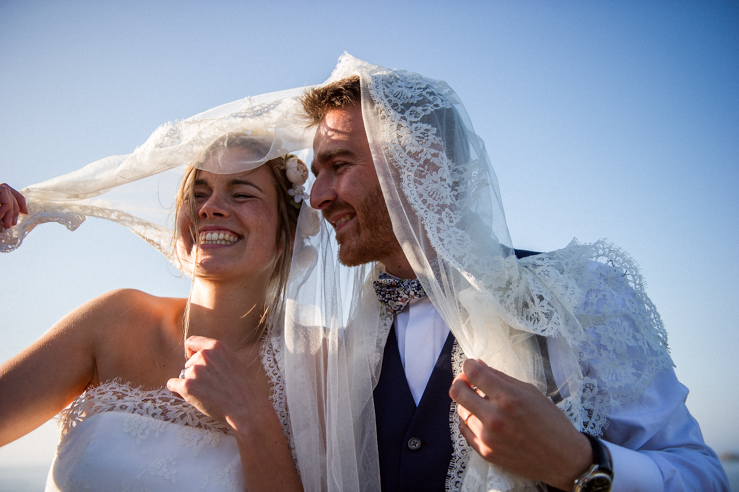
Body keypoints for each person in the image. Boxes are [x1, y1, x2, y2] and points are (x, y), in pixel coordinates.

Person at [281, 54, 730, 491]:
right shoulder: (344, 347)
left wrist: (580, 461)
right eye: (317, 172)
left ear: (423, 165)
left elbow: (702, 477)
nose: (317, 197)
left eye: (339, 165)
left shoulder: (577, 297)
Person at [0, 132, 307, 491]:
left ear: (289, 232)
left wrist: (249, 416)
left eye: (241, 194)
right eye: (198, 193)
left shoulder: (316, 366)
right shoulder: (114, 320)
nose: (209, 207)